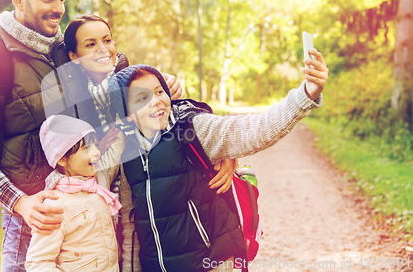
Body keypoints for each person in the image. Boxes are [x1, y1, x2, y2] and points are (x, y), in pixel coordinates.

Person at [0, 0, 184, 271]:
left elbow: (124, 81)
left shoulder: (69, 49)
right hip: (34, 224)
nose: (59, 8)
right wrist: (22, 204)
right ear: (18, 0)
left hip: (94, 213)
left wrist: (165, 84)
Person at [107, 51, 328, 271]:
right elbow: (131, 229)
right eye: (142, 98)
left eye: (159, 91)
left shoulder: (192, 129)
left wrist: (305, 95)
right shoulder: (128, 155)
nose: (156, 102)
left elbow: (254, 130)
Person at [60, 14, 237, 271]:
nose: (102, 49)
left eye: (107, 40)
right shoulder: (71, 104)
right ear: (74, 58)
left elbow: (185, 120)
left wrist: (224, 153)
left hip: (146, 206)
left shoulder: (137, 79)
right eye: (90, 44)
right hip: (103, 213)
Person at [25, 115, 123, 272]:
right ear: (63, 159)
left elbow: (115, 153)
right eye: (87, 148)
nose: (97, 152)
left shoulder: (99, 183)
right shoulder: (55, 204)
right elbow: (37, 262)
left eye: (96, 145)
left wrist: (124, 125)